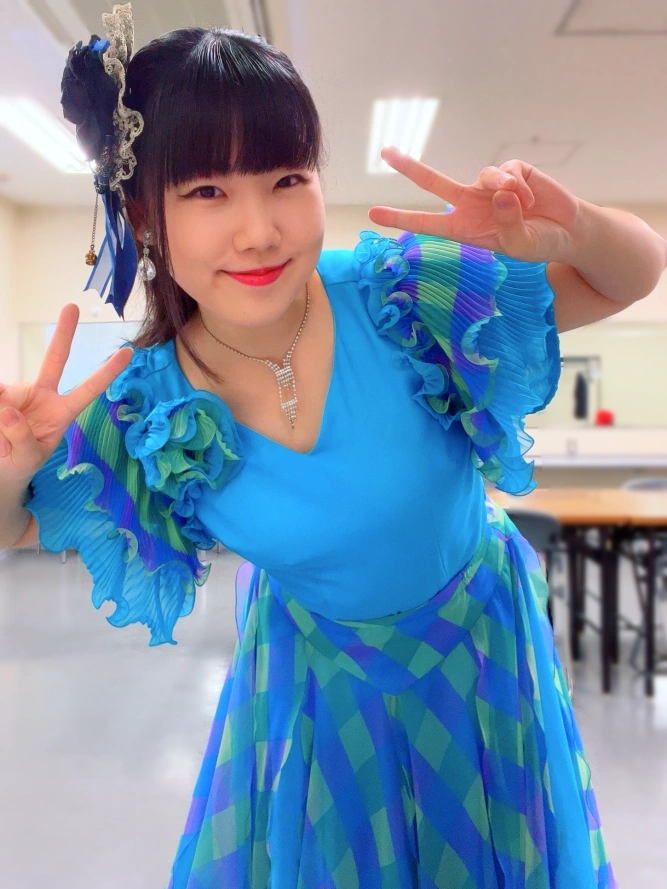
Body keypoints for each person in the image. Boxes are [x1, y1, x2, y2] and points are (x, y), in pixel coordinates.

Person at [1, 4, 665, 887]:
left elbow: (631, 274)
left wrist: (577, 229)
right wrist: (10, 471)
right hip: (321, 685)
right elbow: (19, 526)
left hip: (485, 654)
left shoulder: (398, 295)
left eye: (286, 178)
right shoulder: (149, 410)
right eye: (206, 192)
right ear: (142, 213)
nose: (258, 230)